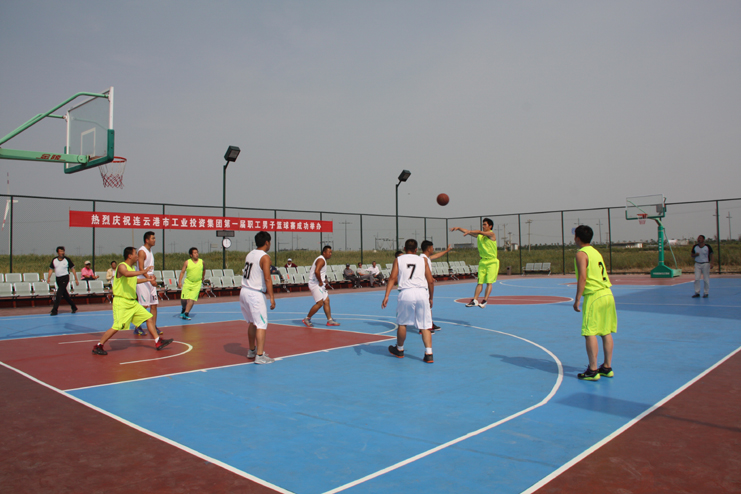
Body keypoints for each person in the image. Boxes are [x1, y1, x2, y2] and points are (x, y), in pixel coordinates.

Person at [92, 247, 173, 356]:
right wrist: (143, 271)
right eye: (135, 254)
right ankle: (98, 345)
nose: (137, 256)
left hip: (132, 302)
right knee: (117, 326)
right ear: (129, 256)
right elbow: (126, 274)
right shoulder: (122, 266)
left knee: (149, 317)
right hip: (121, 302)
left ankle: (158, 341)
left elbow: (135, 280)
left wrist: (148, 279)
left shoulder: (133, 268)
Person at [573, 225, 616, 381]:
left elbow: (583, 277)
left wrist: (578, 299)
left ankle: (592, 370)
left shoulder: (581, 254)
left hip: (594, 295)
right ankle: (607, 367)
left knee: (589, 332)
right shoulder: (596, 252)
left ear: (577, 238)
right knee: (605, 331)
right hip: (607, 293)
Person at [382, 239, 436, 363]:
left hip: (406, 293)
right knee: (425, 326)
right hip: (422, 293)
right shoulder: (423, 260)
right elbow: (430, 281)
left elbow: (392, 278)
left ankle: (400, 349)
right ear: (416, 249)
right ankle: (429, 353)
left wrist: (386, 296)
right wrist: (431, 297)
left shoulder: (399, 260)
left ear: (405, 249)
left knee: (402, 324)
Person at [241, 231, 277, 364]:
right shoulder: (264, 257)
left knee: (252, 322)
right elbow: (267, 278)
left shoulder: (250, 254)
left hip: (244, 290)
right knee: (261, 324)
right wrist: (272, 297)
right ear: (267, 242)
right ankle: (260, 356)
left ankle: (252, 350)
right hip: (255, 293)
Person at [450, 218, 498, 308]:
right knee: (480, 282)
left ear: (490, 226)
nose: (483, 226)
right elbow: (468, 231)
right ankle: (475, 300)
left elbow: (479, 231)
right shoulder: (480, 236)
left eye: (485, 224)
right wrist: (459, 228)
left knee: (489, 282)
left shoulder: (492, 234)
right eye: (483, 224)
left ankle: (484, 301)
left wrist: (470, 231)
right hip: (483, 261)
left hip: (492, 261)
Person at [302, 245, 341, 327]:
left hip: (319, 283)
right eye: (329, 252)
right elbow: (317, 271)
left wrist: (323, 280)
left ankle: (330, 320)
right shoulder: (321, 260)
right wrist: (320, 281)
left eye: (331, 252)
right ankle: (307, 318)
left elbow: (318, 271)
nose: (330, 254)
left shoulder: (322, 260)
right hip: (315, 284)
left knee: (326, 301)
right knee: (319, 303)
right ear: (324, 252)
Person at [133, 231, 162, 336]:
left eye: (154, 238)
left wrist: (152, 276)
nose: (154, 240)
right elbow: (141, 268)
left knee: (154, 304)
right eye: (152, 238)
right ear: (147, 240)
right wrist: (149, 278)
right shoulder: (142, 251)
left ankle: (153, 326)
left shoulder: (150, 250)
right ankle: (137, 326)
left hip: (150, 279)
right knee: (144, 305)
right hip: (143, 281)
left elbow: (149, 268)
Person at [420, 241, 453, 330]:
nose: (433, 249)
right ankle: (423, 327)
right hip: (422, 286)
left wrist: (446, 251)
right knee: (424, 306)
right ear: (428, 249)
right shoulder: (422, 259)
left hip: (426, 285)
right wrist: (429, 279)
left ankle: (430, 323)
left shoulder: (426, 258)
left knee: (428, 307)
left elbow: (437, 256)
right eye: (432, 248)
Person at [48, 246, 79, 316]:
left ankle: (54, 310)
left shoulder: (67, 260)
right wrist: (48, 278)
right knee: (65, 295)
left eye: (63, 251)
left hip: (65, 278)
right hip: (58, 278)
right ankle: (73, 306)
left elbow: (73, 269)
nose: (62, 253)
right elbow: (51, 269)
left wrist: (76, 279)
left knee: (59, 294)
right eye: (61, 251)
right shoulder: (54, 260)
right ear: (57, 252)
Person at [177, 247, 204, 320]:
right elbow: (182, 272)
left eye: (197, 252)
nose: (196, 254)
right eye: (194, 253)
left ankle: (186, 313)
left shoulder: (201, 262)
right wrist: (179, 282)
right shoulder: (187, 262)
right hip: (188, 283)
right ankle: (183, 308)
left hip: (197, 283)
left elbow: (204, 270)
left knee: (191, 299)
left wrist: (202, 277)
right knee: (184, 299)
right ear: (191, 255)